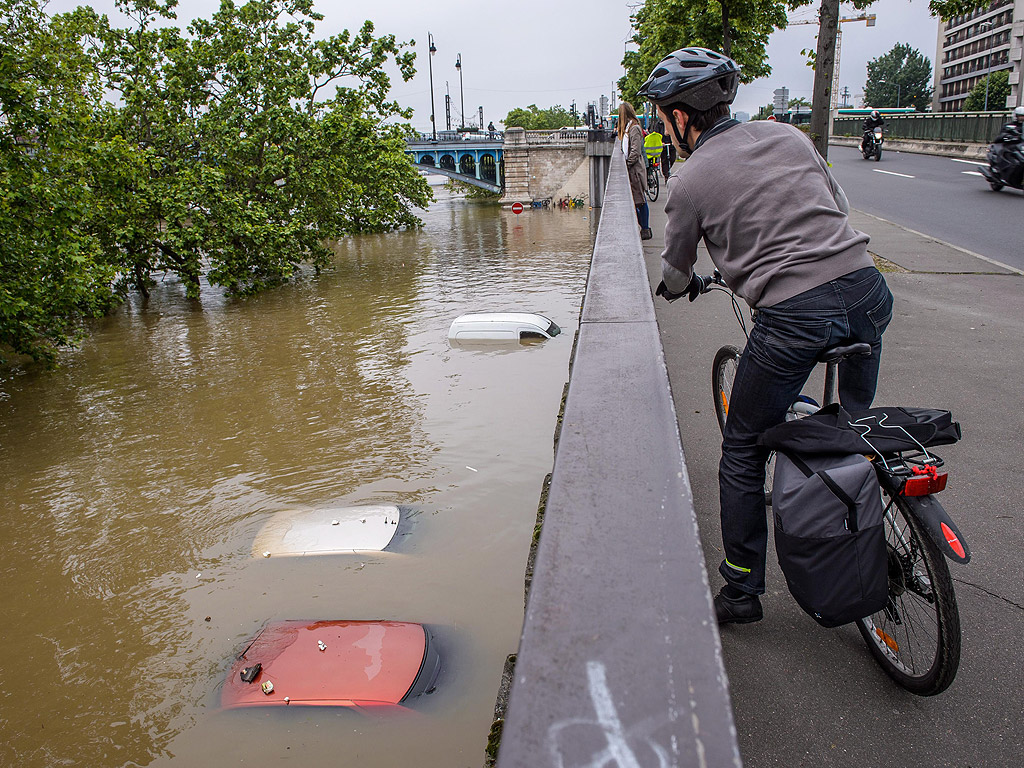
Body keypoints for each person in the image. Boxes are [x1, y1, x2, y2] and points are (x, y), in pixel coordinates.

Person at [639, 47, 894, 625]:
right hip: (866, 291)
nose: (661, 126)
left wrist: (680, 286)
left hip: (795, 318)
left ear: (682, 117)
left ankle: (742, 590)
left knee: (743, 448)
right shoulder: (790, 138)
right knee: (853, 428)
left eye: (662, 115)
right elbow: (840, 208)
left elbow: (676, 275)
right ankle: (867, 514)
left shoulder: (690, 178)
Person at [617, 102, 652, 240]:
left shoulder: (634, 128)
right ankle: (643, 227)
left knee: (640, 200)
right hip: (633, 169)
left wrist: (628, 163)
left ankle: (645, 228)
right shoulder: (629, 128)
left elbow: (635, 151)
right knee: (638, 199)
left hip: (635, 170)